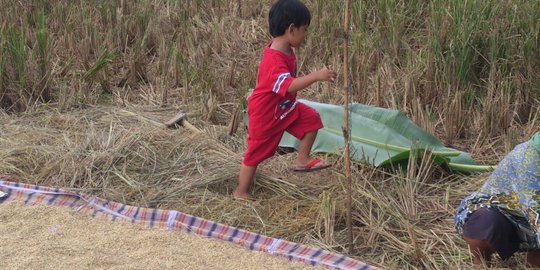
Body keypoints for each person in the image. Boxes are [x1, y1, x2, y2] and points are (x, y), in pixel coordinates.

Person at [234, 0, 337, 201]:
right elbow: (288, 85)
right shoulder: (273, 59)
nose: (305, 34)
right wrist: (316, 76)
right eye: (304, 29)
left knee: (312, 120)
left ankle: (302, 159)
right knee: (256, 153)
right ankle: (241, 191)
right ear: (291, 29)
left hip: (284, 108)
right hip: (265, 113)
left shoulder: (287, 49)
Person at [455, 131, 540, 267]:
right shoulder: (530, 160)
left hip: (528, 221)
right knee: (486, 223)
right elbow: (535, 213)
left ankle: (534, 259)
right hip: (503, 212)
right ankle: (481, 260)